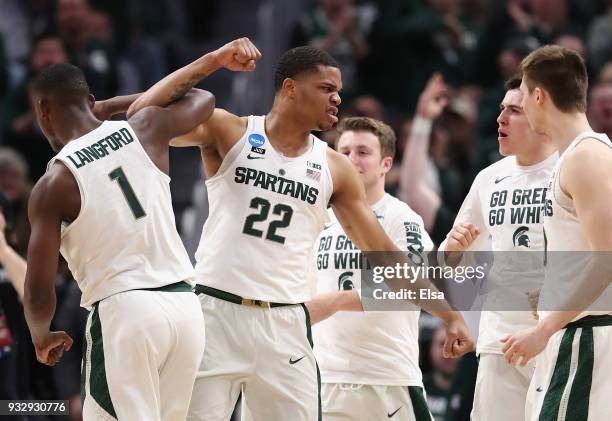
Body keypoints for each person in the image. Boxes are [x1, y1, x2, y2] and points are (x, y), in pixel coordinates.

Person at [128, 41, 473, 420]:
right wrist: (213, 60)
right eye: (327, 88)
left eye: (338, 90)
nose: (337, 98)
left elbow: (386, 255)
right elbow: (143, 116)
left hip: (286, 324)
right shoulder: (231, 131)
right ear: (290, 88)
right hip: (215, 313)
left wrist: (449, 313)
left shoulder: (334, 168)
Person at [23, 63, 214, 420]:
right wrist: (112, 106)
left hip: (126, 313)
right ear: (90, 101)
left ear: (43, 110)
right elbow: (202, 98)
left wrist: (40, 335)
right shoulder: (143, 128)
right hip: (185, 310)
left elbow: (37, 290)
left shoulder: (54, 184)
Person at [501, 45, 612, 421]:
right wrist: (550, 293)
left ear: (538, 95)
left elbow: (607, 260)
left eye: (523, 99)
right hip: (575, 332)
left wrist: (545, 327)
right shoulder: (573, 158)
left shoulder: (587, 156)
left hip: (588, 337)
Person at [439, 73, 557, 421]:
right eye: (501, 109)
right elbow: (452, 260)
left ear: (541, 114)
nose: (500, 118)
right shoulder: (489, 178)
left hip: (556, 336)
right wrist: (453, 248)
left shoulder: (570, 167)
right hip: (499, 340)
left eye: (514, 111)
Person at [308, 116, 436, 420]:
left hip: (387, 379)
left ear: (386, 165)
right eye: (345, 151)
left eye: (363, 152)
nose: (352, 160)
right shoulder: (318, 218)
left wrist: (338, 301)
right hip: (326, 378)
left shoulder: (401, 218)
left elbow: (414, 289)